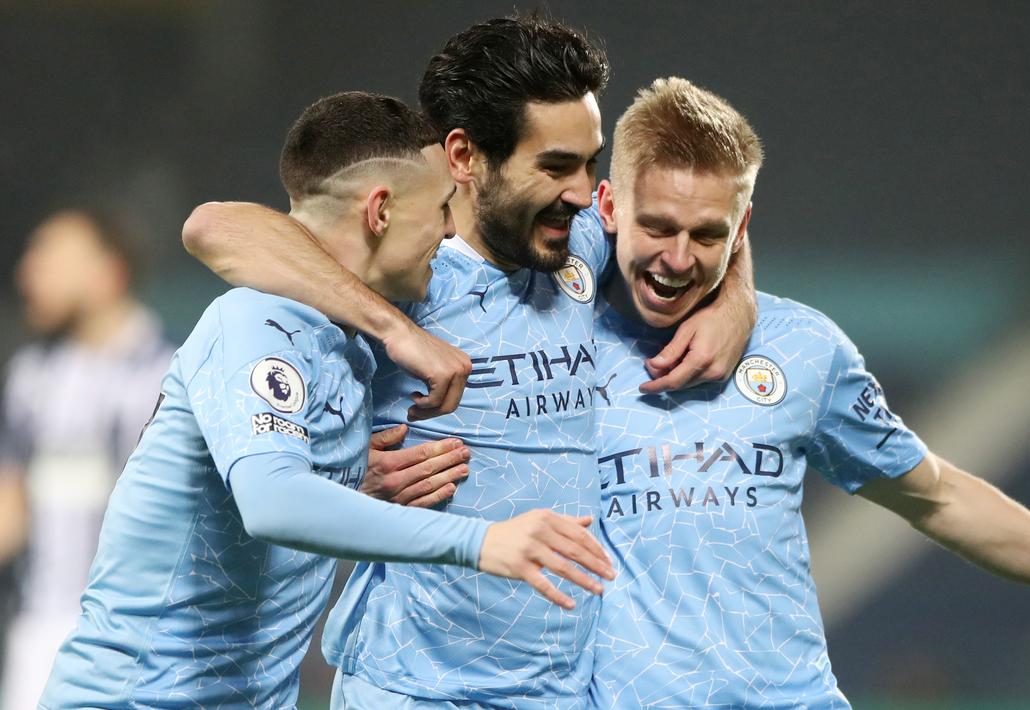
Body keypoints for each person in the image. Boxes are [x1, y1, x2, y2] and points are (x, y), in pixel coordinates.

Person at [182, 16, 757, 708]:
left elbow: (708, 220)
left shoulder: (578, 243)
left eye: (589, 163)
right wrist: (394, 333)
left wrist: (736, 298)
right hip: (415, 687)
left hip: (558, 691)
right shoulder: (400, 272)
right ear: (464, 155)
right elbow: (213, 227)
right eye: (554, 167)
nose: (582, 192)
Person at [585, 77, 1030, 708]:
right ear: (607, 208)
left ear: (741, 228)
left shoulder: (802, 348)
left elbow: (938, 498)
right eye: (659, 227)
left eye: (707, 235)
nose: (678, 258)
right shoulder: (551, 341)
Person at [39, 91, 611, 709]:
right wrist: (481, 541)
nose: (450, 228)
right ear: (380, 211)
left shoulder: (345, 344)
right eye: (442, 207)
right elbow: (272, 502)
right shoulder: (255, 322)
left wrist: (345, 485)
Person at [0, 208, 174, 710]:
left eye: (51, 257)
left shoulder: (168, 373)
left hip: (138, 636)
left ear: (108, 272)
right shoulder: (31, 376)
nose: (29, 272)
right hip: (38, 633)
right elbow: (12, 508)